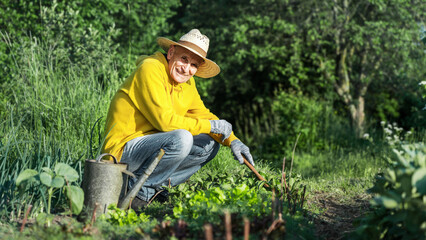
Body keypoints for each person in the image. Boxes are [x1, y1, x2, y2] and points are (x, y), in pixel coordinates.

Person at [102, 29, 254, 210]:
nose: (186, 68)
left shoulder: (187, 83)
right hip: (123, 150)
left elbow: (203, 115)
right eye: (184, 59)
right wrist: (210, 125)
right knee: (183, 138)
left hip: (153, 146)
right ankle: (141, 193)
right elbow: (164, 122)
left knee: (210, 144)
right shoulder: (150, 68)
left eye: (193, 65)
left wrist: (233, 140)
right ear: (172, 52)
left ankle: (156, 188)